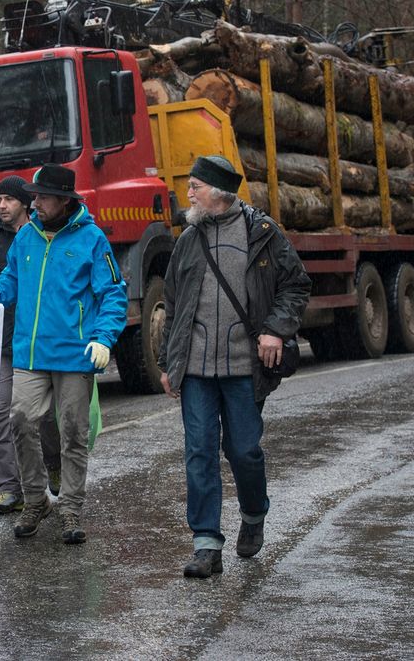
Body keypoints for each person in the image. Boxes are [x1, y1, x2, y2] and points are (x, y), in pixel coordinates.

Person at [158, 155, 310, 579]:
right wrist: (167, 362)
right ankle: (206, 545)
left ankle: (254, 512)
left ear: (219, 192)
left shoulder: (262, 233)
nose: (188, 193)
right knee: (199, 453)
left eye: (195, 186)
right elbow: (172, 305)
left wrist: (276, 330)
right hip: (196, 371)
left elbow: (296, 285)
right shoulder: (189, 239)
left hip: (246, 368)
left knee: (243, 450)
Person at [0, 165, 127, 544]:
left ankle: (71, 507)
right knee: (21, 419)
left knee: (73, 430)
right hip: (30, 351)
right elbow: (12, 278)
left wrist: (103, 338)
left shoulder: (91, 238)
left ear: (64, 200)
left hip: (75, 353)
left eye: (42, 197)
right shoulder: (26, 237)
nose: (35, 202)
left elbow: (112, 293)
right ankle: (35, 500)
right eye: (34, 196)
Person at [0, 175, 62, 515]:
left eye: (9, 199)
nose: (2, 206)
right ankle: (9, 488)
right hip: (2, 346)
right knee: (1, 415)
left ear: (25, 202)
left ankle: (54, 464)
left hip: (40, 344)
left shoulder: (43, 238)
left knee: (46, 417)